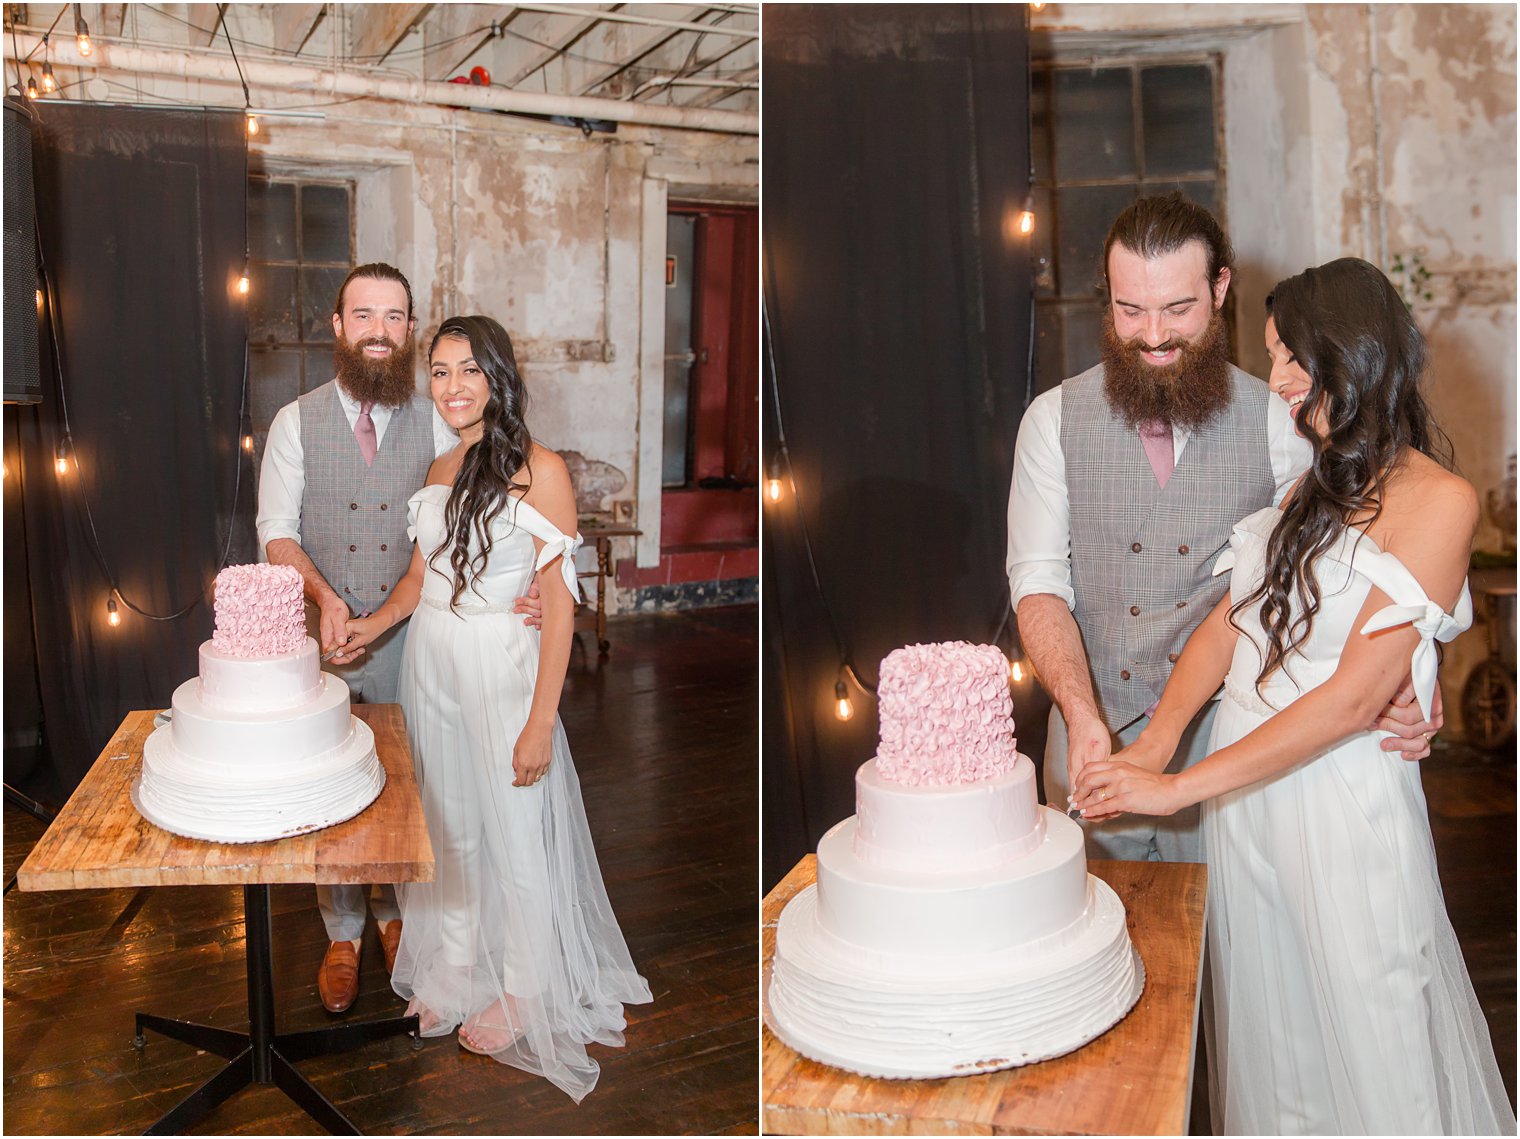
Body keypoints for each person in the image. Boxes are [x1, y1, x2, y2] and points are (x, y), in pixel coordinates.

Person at [1072, 258, 1515, 1134]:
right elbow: (1231, 627)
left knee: (1372, 1024)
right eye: (1272, 357)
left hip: (1339, 801)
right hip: (1249, 803)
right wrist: (1157, 741)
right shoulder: (1308, 490)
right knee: (1278, 1045)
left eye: (1290, 357)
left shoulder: (1442, 499)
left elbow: (1356, 698)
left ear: (1355, 354)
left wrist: (1176, 788)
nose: (1274, 379)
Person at [1006, 193, 1437, 863]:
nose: (1152, 335)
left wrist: (1405, 680)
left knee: (1224, 958)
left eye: (1177, 309)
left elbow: (1341, 569)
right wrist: (1079, 708)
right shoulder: (1049, 423)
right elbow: (1037, 583)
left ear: (1220, 288)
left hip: (1234, 745)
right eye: (1130, 310)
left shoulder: (1281, 418)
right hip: (1090, 739)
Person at [333, 315, 651, 1101]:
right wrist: (366, 626)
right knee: (452, 826)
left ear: (498, 376)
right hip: (432, 661)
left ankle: (528, 985)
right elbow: (418, 580)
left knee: (515, 830)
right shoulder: (440, 467)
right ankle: (459, 962)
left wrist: (541, 719)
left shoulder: (541, 469)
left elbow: (559, 603)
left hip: (500, 666)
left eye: (468, 369)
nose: (452, 386)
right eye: (438, 372)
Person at [256, 263, 456, 1013]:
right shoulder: (294, 421)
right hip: (319, 639)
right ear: (337, 327)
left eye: (395, 316)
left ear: (410, 329)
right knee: (331, 783)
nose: (379, 329)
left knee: (409, 778)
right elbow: (275, 530)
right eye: (363, 315)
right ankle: (341, 931)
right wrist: (326, 599)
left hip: (416, 634)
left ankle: (397, 914)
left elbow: (468, 518)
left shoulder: (439, 419)